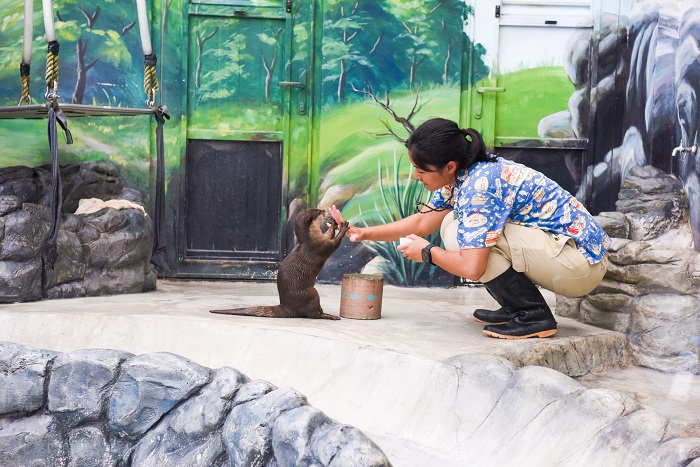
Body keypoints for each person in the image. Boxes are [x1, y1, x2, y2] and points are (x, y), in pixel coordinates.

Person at [329, 117, 611, 339]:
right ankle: (517, 308)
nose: (416, 176)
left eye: (421, 170)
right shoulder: (461, 176)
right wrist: (362, 232)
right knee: (452, 224)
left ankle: (533, 315)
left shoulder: (480, 187)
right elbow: (423, 221)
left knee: (457, 234)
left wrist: (427, 253)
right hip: (565, 255)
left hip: (580, 266)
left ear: (449, 166)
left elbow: (473, 267)